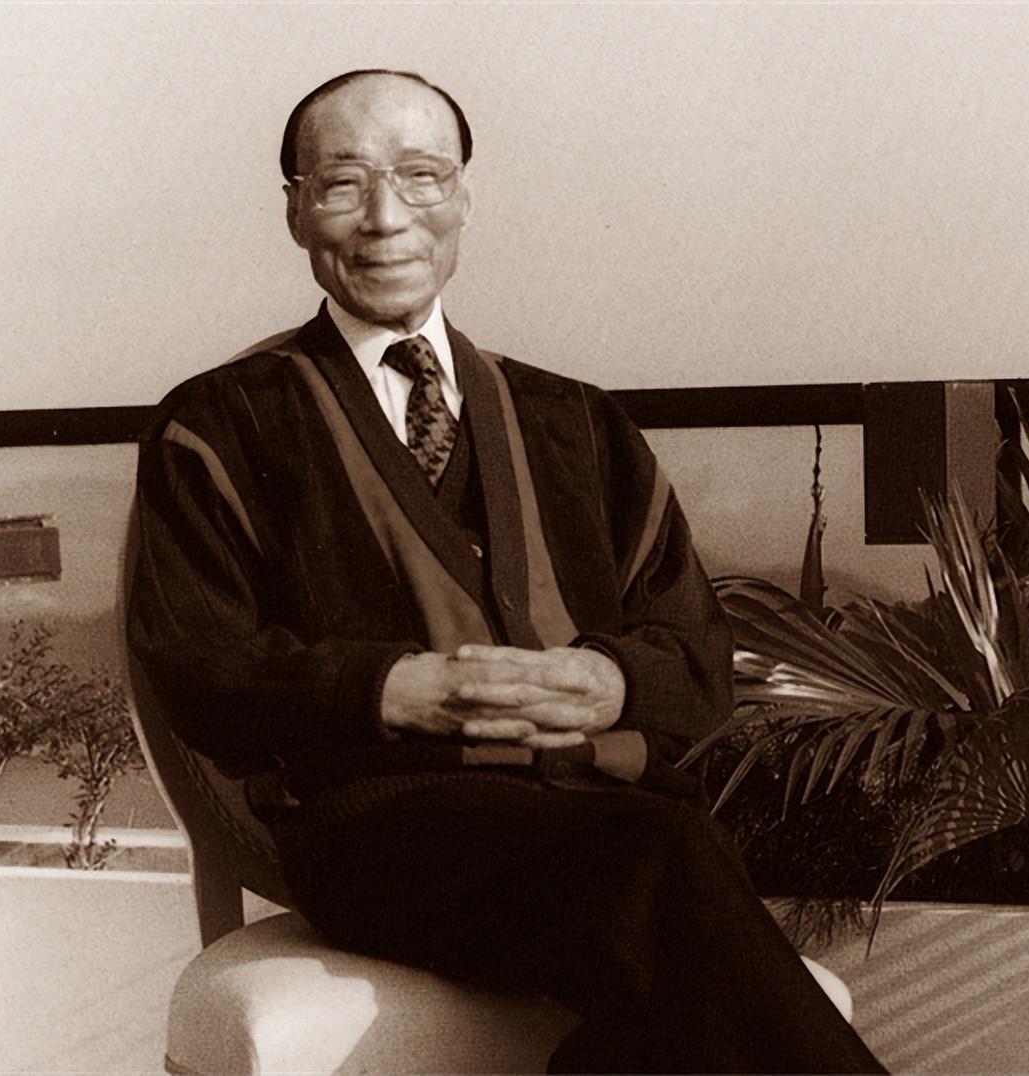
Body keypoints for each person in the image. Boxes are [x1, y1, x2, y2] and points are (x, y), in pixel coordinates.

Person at [127, 68, 887, 1074]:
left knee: (652, 980)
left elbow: (698, 653)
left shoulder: (577, 420)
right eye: (345, 183)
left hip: (599, 812)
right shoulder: (219, 422)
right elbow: (198, 663)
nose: (386, 217)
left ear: (464, 199)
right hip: (380, 832)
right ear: (296, 210)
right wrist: (396, 689)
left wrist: (610, 680)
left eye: (421, 176)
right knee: (662, 860)